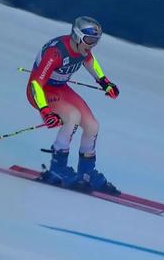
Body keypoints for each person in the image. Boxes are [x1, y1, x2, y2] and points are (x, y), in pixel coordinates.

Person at [26, 16, 120, 194]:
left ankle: (87, 172)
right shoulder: (56, 53)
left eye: (96, 41)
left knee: (92, 125)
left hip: (60, 88)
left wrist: (105, 82)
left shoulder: (82, 50)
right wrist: (45, 111)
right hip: (41, 92)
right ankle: (57, 168)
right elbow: (35, 84)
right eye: (89, 40)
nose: (92, 45)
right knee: (73, 117)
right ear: (77, 36)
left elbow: (90, 62)